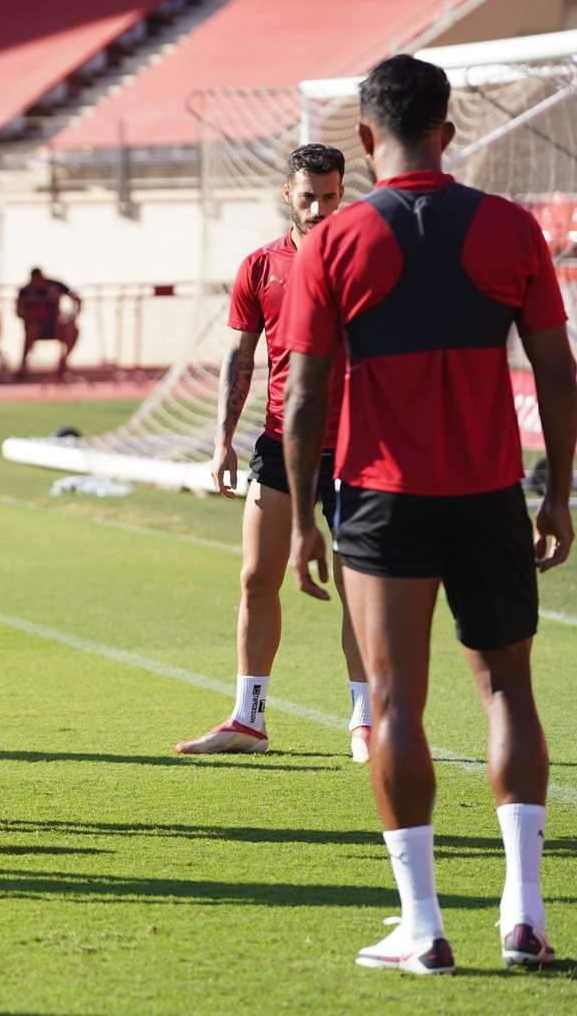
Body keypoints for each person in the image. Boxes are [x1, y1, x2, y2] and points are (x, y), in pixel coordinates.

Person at [284, 54, 576, 974]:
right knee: (510, 693)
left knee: (396, 701)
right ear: (447, 132)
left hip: (383, 498)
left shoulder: (334, 241)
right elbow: (560, 374)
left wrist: (301, 523)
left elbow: (304, 398)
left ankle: (423, 928)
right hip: (491, 494)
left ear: (367, 139)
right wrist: (558, 493)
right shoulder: (512, 227)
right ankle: (524, 918)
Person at [178, 144, 370, 759]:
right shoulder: (260, 267)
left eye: (330, 196)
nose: (319, 208)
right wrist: (223, 441)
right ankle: (249, 719)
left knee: (359, 585)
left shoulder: (365, 262)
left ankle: (366, 721)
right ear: (288, 194)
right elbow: (240, 357)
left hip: (355, 450)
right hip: (280, 444)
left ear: (342, 194)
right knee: (258, 577)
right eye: (308, 196)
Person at [15, 267, 80, 379]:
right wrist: (30, 317)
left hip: (55, 326)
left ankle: (63, 363)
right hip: (36, 327)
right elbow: (19, 311)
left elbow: (76, 298)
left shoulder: (56, 285)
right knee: (32, 330)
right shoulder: (26, 290)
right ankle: (23, 366)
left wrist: (73, 316)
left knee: (73, 331)